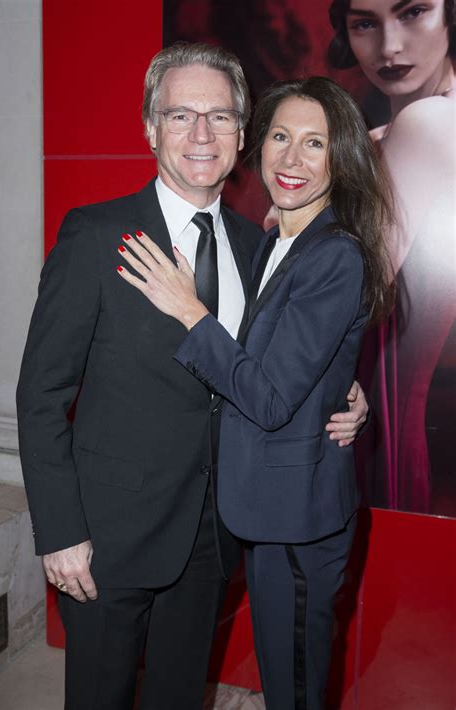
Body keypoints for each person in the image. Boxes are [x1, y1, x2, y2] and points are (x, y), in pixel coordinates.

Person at [16, 44, 367, 709]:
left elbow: (281, 363)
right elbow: (39, 398)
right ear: (151, 128)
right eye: (180, 115)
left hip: (213, 538)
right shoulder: (96, 236)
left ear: (242, 135)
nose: (201, 134)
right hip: (107, 542)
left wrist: (353, 393)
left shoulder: (259, 244)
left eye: (220, 116)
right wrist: (60, 532)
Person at [116, 77, 394, 709]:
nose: (291, 159)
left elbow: (268, 398)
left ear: (341, 157)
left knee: (293, 687)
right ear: (256, 144)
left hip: (297, 517)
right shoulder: (275, 239)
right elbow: (290, 357)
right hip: (266, 507)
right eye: (279, 136)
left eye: (315, 143)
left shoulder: (334, 255)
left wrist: (191, 313)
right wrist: (346, 387)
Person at [328, 0, 456, 511]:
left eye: (413, 12)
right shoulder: (394, 133)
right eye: (364, 23)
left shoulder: (427, 122)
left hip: (380, 430)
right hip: (384, 428)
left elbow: (347, 289)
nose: (389, 47)